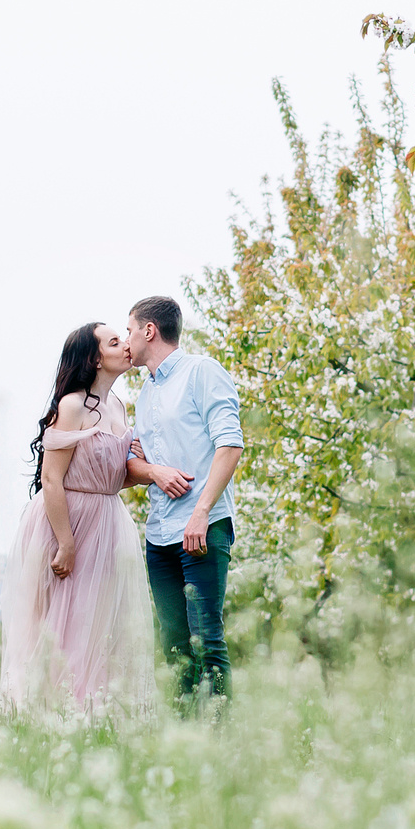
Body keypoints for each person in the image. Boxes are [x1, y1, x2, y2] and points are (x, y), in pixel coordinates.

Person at [0, 321, 191, 712]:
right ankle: (52, 708)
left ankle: (94, 709)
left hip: (108, 521)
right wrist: (66, 542)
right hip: (67, 520)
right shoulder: (71, 405)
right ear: (94, 357)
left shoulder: (119, 407)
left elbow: (115, 477)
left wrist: (152, 471)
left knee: (101, 621)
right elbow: (51, 479)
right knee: (65, 620)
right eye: (114, 342)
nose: (126, 346)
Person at [127, 294, 243, 710]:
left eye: (128, 330)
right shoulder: (143, 396)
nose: (126, 339)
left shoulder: (202, 372)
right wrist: (152, 470)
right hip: (159, 535)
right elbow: (136, 464)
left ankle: (222, 738)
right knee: (174, 647)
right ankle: (185, 743)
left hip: (202, 528)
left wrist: (201, 511)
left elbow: (230, 444)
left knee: (206, 639)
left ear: (149, 330)